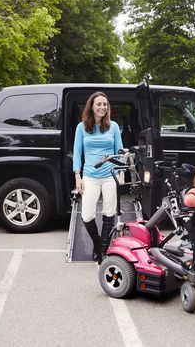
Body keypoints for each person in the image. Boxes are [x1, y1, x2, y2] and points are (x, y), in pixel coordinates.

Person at [73, 92, 123, 264]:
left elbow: (120, 152)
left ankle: (103, 249)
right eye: (99, 104)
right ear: (92, 107)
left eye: (105, 104)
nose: (102, 107)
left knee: (109, 213)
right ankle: (96, 243)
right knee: (87, 215)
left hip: (110, 175)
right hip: (90, 176)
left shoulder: (114, 127)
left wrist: (121, 172)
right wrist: (77, 176)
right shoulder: (82, 127)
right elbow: (77, 152)